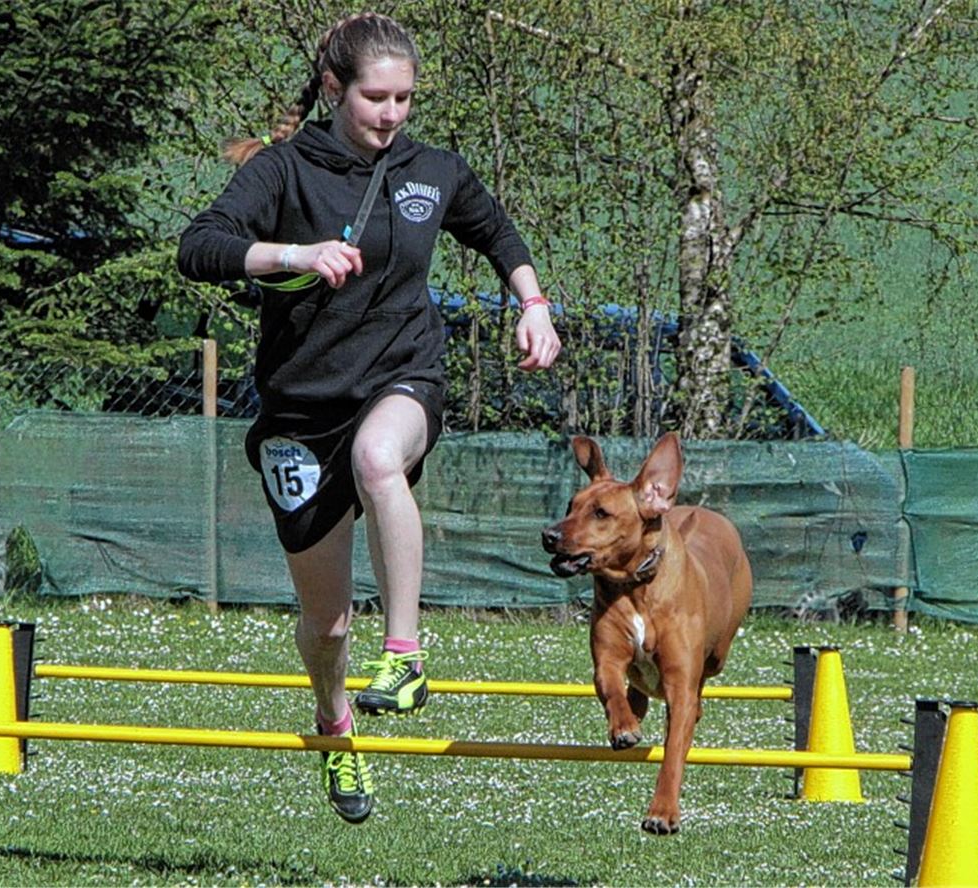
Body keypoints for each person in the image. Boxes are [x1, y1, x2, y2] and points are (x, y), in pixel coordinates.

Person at [177, 11, 560, 824]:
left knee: (381, 460)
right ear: (332, 90)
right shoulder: (284, 171)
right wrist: (295, 255)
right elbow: (200, 246)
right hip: (301, 408)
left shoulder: (433, 170)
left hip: (401, 374)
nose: (391, 115)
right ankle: (334, 719)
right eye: (374, 99)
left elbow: (496, 232)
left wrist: (533, 305)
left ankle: (406, 656)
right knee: (324, 626)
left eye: (404, 100)